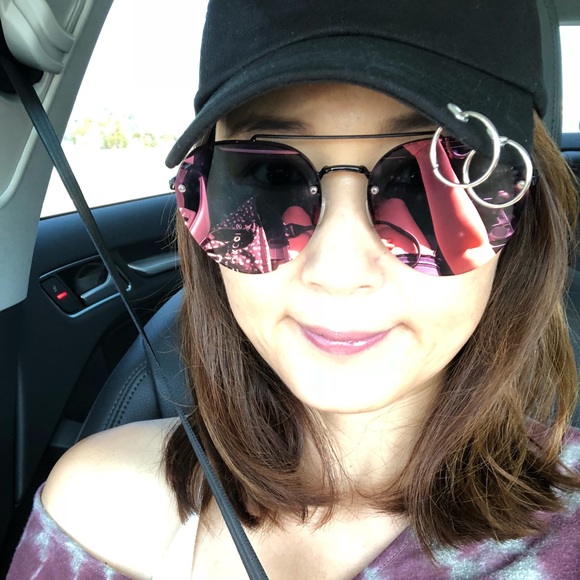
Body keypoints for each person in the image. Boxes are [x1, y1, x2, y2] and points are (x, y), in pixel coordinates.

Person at [8, 0, 580, 578]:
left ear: (525, 215)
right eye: (271, 175)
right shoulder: (103, 511)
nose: (337, 271)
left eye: (427, 179)